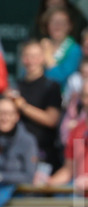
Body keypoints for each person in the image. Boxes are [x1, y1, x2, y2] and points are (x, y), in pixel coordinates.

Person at [6, 40, 63, 176]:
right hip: (16, 154)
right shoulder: (15, 87)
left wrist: (23, 106)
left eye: (35, 56)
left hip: (43, 154)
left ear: (42, 58)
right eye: (27, 56)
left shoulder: (51, 87)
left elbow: (51, 120)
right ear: (22, 59)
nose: (31, 61)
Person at [39, 6, 83, 90]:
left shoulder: (75, 50)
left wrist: (47, 55)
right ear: (47, 25)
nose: (58, 25)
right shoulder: (40, 47)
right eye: (53, 21)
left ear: (69, 26)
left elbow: (59, 79)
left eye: (62, 22)